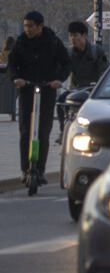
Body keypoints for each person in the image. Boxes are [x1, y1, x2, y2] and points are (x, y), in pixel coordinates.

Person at [11, 11, 70, 176]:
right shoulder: (21, 42)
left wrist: (58, 79)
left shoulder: (53, 42)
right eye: (25, 26)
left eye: (31, 26)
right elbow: (12, 65)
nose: (27, 29)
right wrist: (16, 78)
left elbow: (65, 63)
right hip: (26, 90)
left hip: (47, 89)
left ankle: (41, 170)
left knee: (43, 131)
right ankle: (25, 169)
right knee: (25, 131)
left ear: (40, 26)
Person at [66, 20, 108, 90]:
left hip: (94, 91)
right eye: (70, 35)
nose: (72, 38)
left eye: (75, 35)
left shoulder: (96, 51)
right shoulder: (69, 53)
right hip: (74, 91)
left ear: (84, 35)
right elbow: (62, 70)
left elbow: (104, 71)